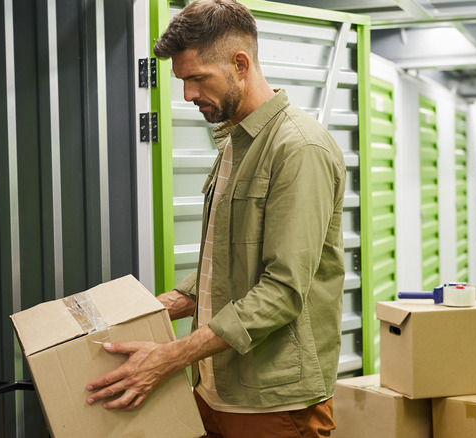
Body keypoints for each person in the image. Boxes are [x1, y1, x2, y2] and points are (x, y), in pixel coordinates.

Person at [87, 1, 346, 436]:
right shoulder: (233, 144)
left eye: (196, 78)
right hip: (213, 387)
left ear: (240, 63)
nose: (187, 95)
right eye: (182, 81)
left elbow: (281, 291)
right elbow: (225, 264)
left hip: (272, 401)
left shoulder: (299, 148)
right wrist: (154, 309)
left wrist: (170, 356)